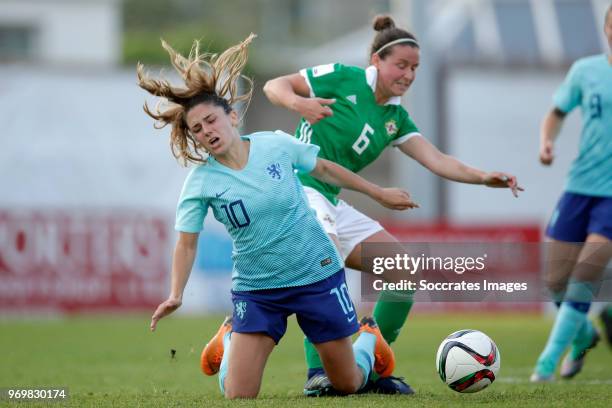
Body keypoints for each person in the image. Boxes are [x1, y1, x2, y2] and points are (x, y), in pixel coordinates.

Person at [141, 34, 420, 399]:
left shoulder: (274, 144)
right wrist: (176, 293)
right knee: (239, 394)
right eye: (197, 129)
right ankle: (229, 340)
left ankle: (369, 340)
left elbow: (324, 169)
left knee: (348, 383)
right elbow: (186, 243)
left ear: (232, 115)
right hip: (258, 291)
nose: (207, 131)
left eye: (210, 120)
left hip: (315, 277)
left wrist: (377, 192)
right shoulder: (199, 183)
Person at [263, 15, 522, 395]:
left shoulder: (395, 118)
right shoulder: (343, 77)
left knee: (402, 271)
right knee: (328, 264)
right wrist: (298, 102)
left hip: (330, 199)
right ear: (376, 61)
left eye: (415, 67)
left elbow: (438, 160)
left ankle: (374, 364)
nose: (408, 74)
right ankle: (318, 372)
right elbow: (274, 85)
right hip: (298, 190)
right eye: (401, 65)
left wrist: (485, 177)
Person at [530, 4, 612, 382]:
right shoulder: (586, 70)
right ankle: (584, 335)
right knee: (555, 281)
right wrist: (547, 142)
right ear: (607, 28)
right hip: (579, 187)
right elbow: (556, 111)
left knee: (584, 275)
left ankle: (547, 362)